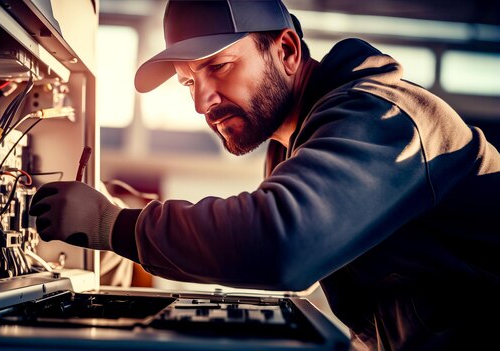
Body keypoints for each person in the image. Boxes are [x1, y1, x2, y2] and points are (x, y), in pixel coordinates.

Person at [29, 0, 500, 349]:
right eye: (190, 82)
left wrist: (115, 226)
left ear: (288, 50)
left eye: (219, 66)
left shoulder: (381, 117)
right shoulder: (290, 144)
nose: (202, 102)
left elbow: (281, 244)